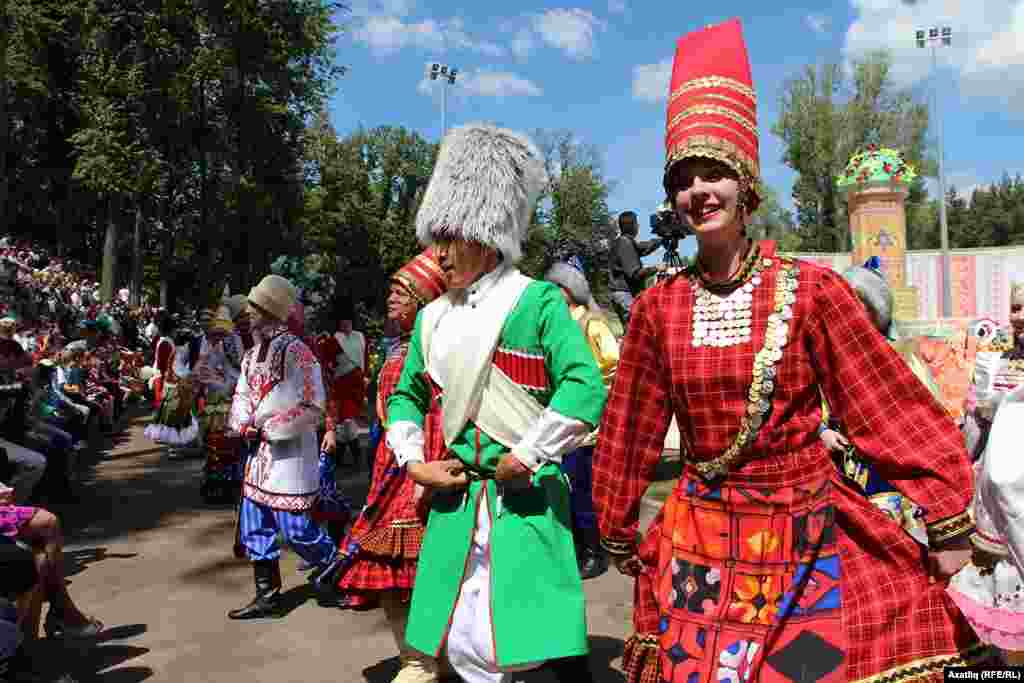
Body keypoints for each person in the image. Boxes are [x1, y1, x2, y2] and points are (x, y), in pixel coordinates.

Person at [592, 19, 986, 683]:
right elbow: (628, 426)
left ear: (746, 184)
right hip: (701, 545)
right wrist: (618, 522)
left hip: (805, 540)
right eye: (683, 180)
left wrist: (946, 513)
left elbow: (881, 401)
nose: (698, 192)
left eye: (713, 173)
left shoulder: (810, 291)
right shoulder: (660, 308)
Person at [387, 123, 607, 683]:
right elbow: (406, 394)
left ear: (485, 237)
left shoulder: (536, 303)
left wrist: (530, 454)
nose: (438, 253)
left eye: (449, 237)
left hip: (526, 496)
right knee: (461, 640)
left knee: (528, 638)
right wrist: (413, 461)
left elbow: (584, 386)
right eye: (434, 237)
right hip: (456, 504)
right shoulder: (432, 318)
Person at [333, 249, 449, 683]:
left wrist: (429, 471)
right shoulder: (399, 349)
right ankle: (416, 657)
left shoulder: (443, 347)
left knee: (421, 568)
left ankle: (427, 658)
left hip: (426, 469)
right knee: (392, 571)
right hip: (391, 469)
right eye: (392, 291)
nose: (391, 299)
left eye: (402, 292)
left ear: (426, 298)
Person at [226, 274, 338, 620]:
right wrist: (242, 423)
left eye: (256, 307)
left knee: (295, 526)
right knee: (253, 520)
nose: (249, 313)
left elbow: (312, 404)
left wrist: (271, 429)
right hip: (259, 453)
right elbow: (242, 393)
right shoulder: (251, 354)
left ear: (269, 310)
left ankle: (339, 566)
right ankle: (267, 596)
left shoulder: (298, 351)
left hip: (287, 452)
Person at [946, 275, 1024, 664]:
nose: (1021, 316)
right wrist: (958, 465)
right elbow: (975, 428)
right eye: (1015, 307)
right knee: (1003, 590)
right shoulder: (994, 362)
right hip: (997, 494)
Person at [544, 258, 618, 579]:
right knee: (564, 487)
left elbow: (612, 362)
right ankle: (573, 549)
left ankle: (593, 552)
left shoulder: (590, 322)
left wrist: (591, 396)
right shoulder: (555, 323)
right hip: (560, 418)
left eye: (555, 288)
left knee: (583, 489)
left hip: (587, 425)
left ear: (568, 290)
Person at [196, 306, 243, 503]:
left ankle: (231, 483)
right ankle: (215, 483)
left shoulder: (234, 341)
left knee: (231, 443)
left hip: (232, 396)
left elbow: (241, 366)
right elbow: (203, 368)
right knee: (214, 443)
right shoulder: (210, 345)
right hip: (215, 399)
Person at [321, 299, 367, 468]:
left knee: (349, 423)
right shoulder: (332, 341)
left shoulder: (360, 337)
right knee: (346, 423)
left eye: (349, 320)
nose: (347, 323)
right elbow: (327, 365)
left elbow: (365, 360)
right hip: (341, 388)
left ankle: (344, 460)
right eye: (343, 321)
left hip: (357, 387)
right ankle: (350, 458)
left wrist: (365, 377)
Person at [608, 211, 662, 322]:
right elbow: (635, 274)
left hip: (621, 293)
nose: (638, 226)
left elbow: (643, 248)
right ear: (633, 226)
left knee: (633, 332)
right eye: (637, 223)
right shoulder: (625, 244)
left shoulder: (623, 242)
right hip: (625, 294)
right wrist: (656, 268)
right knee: (637, 329)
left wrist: (661, 240)